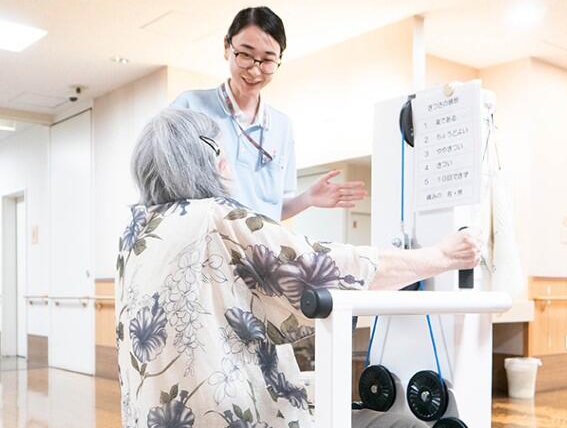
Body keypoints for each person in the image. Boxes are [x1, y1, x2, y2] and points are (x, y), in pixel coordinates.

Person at [116, 108, 481, 428]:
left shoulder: (135, 233)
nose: (228, 165)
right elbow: (329, 268)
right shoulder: (215, 216)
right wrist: (444, 255)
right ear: (208, 159)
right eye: (222, 152)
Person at [171, 6, 367, 222]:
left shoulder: (282, 126)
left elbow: (275, 208)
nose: (255, 70)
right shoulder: (189, 107)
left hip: (262, 250)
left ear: (279, 60)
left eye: (267, 60)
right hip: (209, 247)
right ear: (227, 47)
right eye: (245, 55)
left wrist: (308, 198)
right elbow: (166, 189)